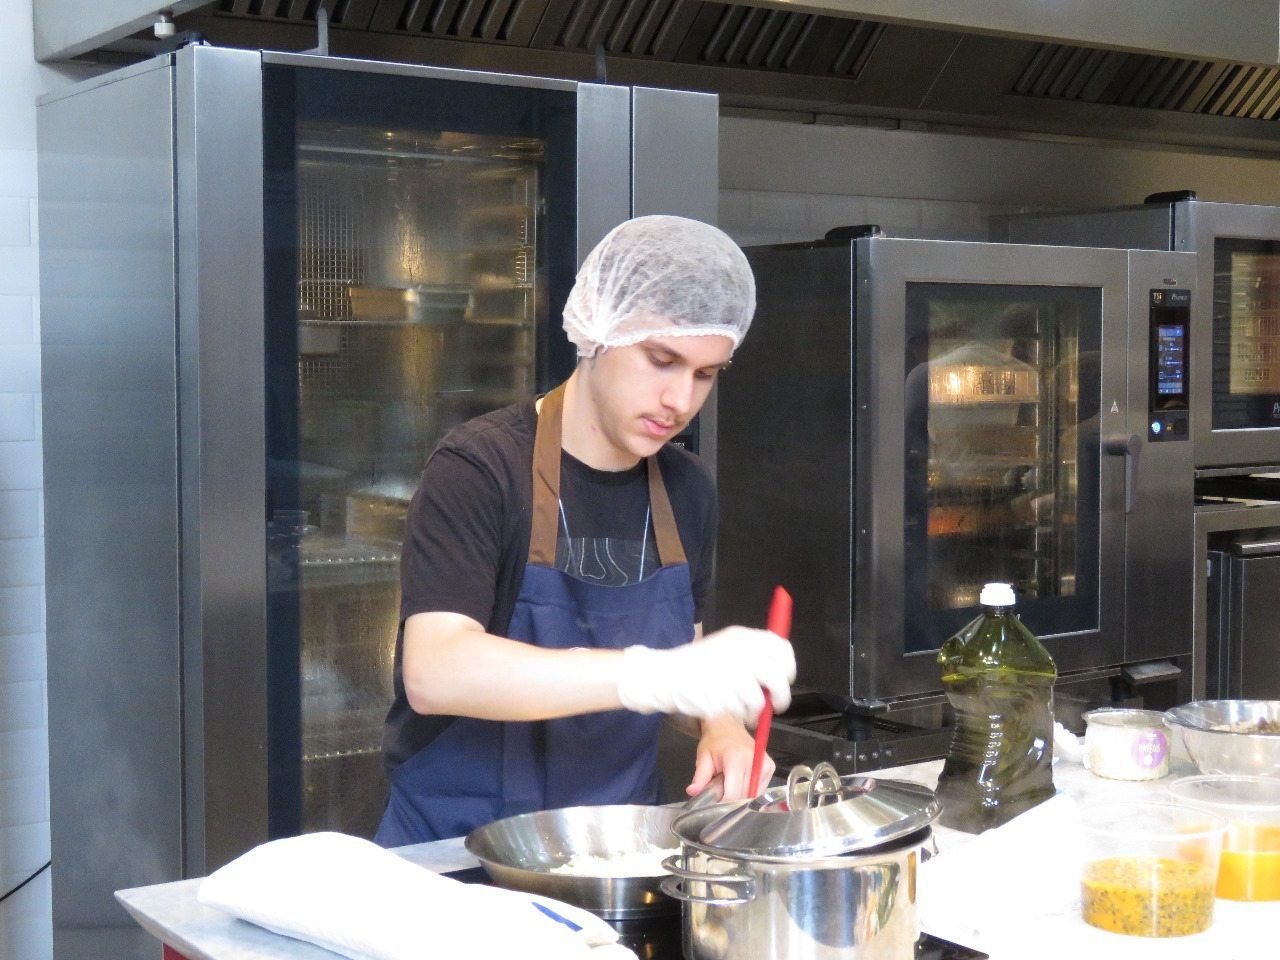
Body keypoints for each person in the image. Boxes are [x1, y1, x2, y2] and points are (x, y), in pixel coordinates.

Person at [374, 215, 795, 846]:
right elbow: (436, 672)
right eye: (661, 360)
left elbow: (687, 665)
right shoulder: (480, 468)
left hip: (614, 849)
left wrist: (720, 722)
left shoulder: (687, 488)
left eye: (707, 374)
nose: (679, 399)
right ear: (597, 333)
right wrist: (650, 675)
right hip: (458, 854)